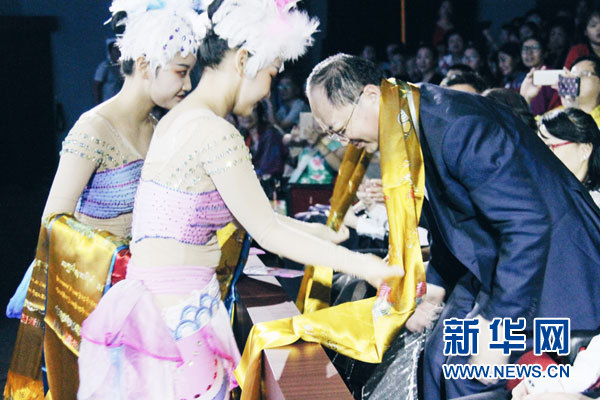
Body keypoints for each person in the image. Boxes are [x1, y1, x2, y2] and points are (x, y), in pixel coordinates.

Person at [77, 2, 401, 399]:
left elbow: (253, 216)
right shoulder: (214, 132)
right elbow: (266, 230)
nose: (268, 90)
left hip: (157, 306)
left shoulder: (178, 120)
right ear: (244, 60)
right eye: (271, 73)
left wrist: (322, 234)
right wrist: (365, 266)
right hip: (178, 316)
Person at [305, 53, 600, 399]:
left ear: (371, 95)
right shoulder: (413, 116)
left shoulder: (456, 127)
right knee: (437, 356)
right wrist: (435, 284)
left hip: (557, 270)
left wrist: (497, 324)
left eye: (340, 130)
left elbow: (529, 226)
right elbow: (455, 218)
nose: (342, 142)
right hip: (500, 263)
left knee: (468, 373)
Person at [4, 1, 201, 399]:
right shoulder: (93, 128)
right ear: (144, 65)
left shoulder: (160, 127)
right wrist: (116, 259)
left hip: (143, 292)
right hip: (88, 295)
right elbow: (53, 221)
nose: (189, 84)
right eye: (182, 72)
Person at [538, 108, 600, 206]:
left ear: (585, 150)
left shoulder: (594, 204)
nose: (542, 155)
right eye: (539, 147)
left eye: (549, 147)